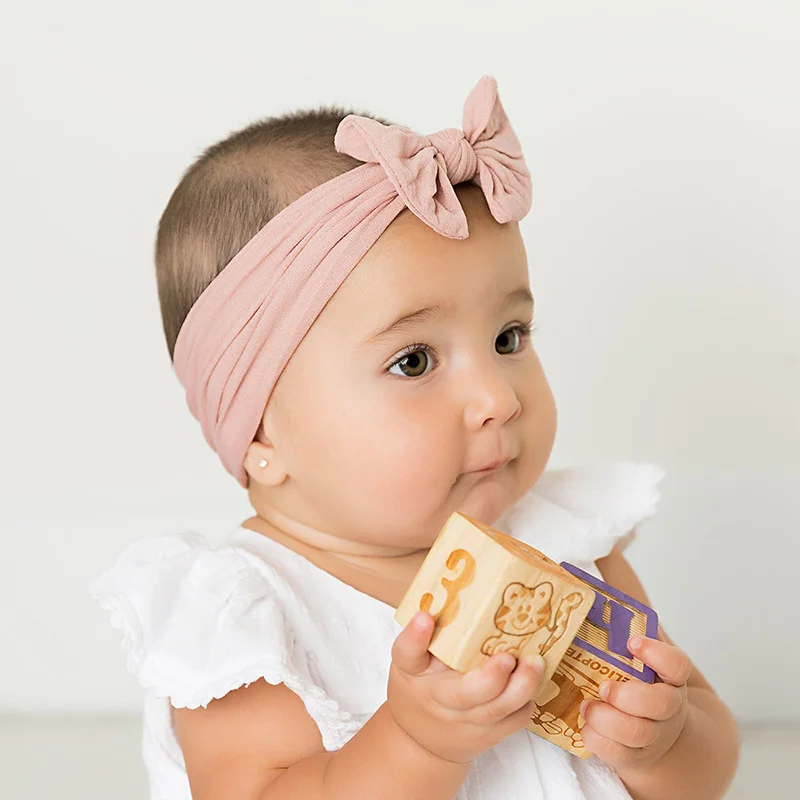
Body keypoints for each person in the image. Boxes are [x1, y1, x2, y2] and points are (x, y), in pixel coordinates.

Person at [90, 75, 739, 800]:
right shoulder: (247, 617)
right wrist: (414, 744)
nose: (498, 398)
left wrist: (665, 742)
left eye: (508, 337)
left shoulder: (566, 547)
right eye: (414, 361)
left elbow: (708, 768)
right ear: (262, 433)